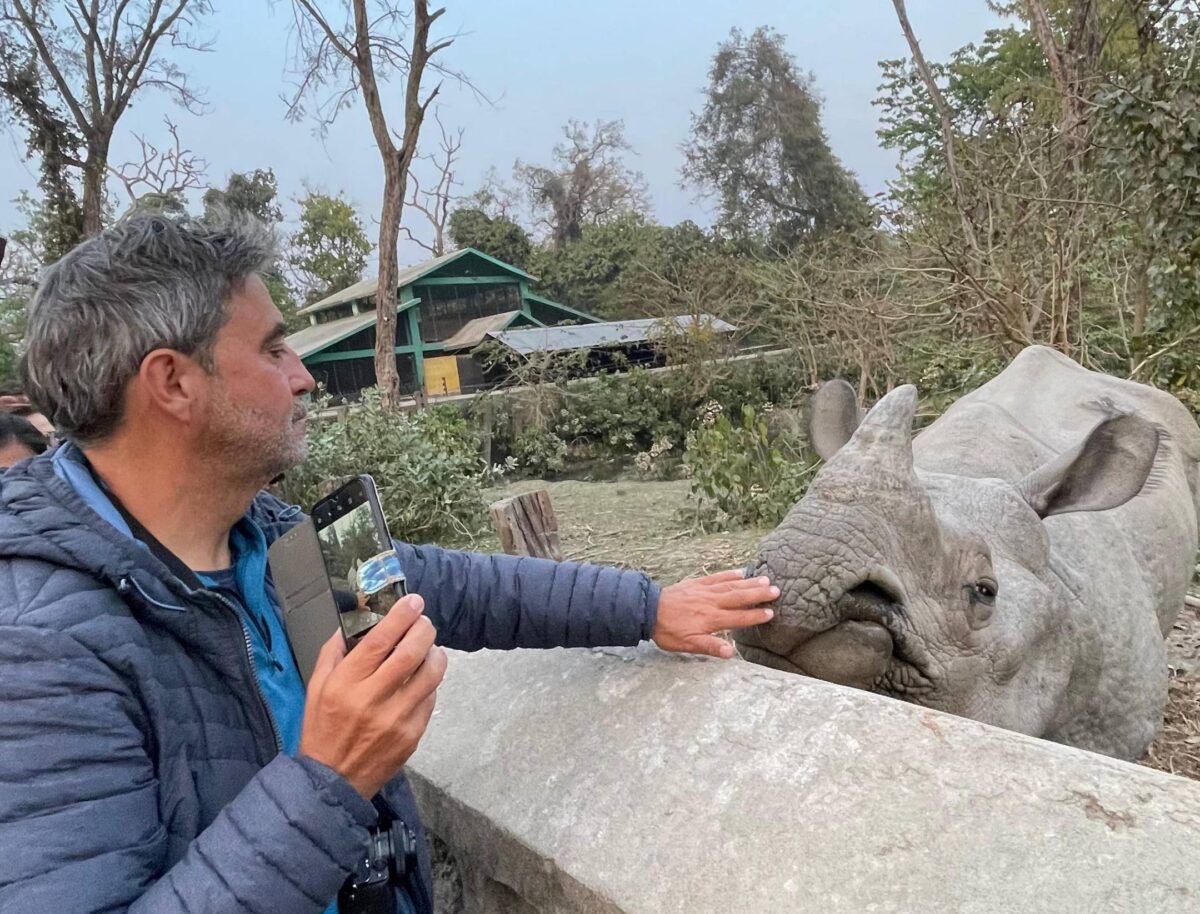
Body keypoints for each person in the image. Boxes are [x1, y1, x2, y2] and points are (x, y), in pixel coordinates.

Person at [0, 215, 778, 914]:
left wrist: (648, 607)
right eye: (272, 349)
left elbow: (466, 590)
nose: (303, 374)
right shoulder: (39, 651)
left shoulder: (264, 539)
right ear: (173, 382)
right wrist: (328, 779)